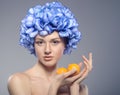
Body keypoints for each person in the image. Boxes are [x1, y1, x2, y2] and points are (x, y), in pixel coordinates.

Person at [7, 2, 93, 95]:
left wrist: (74, 87)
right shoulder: (19, 81)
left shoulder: (81, 88)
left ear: (66, 44)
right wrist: (54, 86)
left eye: (55, 42)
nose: (47, 50)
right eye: (40, 42)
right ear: (33, 44)